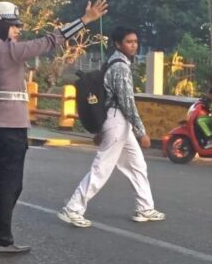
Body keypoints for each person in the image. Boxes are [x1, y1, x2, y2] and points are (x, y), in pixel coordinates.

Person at [0, 0, 108, 257]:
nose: (17, 30)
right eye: (12, 26)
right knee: (9, 184)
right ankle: (2, 240)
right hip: (10, 128)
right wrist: (85, 20)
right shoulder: (12, 52)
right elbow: (52, 40)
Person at [57, 26, 164, 228]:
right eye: (129, 42)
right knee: (102, 168)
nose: (134, 45)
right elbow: (127, 102)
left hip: (117, 121)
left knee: (137, 165)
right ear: (117, 44)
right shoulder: (120, 67)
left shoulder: (114, 63)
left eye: (135, 41)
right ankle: (72, 208)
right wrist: (141, 131)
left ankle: (144, 207)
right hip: (117, 121)